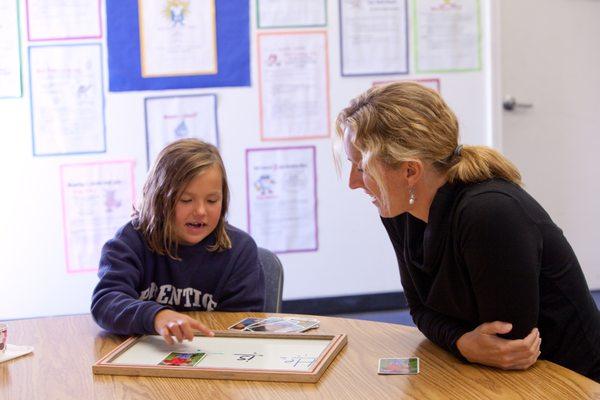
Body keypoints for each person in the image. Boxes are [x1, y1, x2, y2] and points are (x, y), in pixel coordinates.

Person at [335, 82, 600, 382]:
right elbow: (419, 310)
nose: (354, 183)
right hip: (499, 375)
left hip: (572, 380)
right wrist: (463, 342)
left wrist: (465, 342)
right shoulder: (400, 209)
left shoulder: (489, 213)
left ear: (410, 171)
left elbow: (509, 351)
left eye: (362, 168)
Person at [91, 139, 265, 344]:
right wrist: (157, 316)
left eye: (212, 200)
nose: (200, 211)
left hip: (213, 356)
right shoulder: (130, 240)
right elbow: (106, 302)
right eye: (185, 200)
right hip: (148, 358)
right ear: (159, 199)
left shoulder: (240, 250)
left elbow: (244, 326)